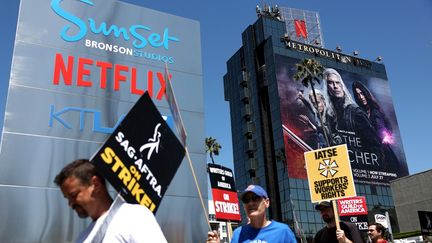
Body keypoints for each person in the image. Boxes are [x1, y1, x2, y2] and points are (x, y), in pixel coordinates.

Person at [54, 159, 167, 243]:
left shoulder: (134, 216)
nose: (70, 204)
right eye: (67, 198)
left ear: (95, 184)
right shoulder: (83, 238)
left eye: (73, 195)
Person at [322, 68, 383, 166]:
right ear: (326, 86)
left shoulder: (356, 112)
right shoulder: (329, 115)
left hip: (362, 170)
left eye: (337, 82)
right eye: (330, 83)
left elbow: (376, 148)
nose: (335, 86)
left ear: (342, 85)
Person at [206, 185, 296, 243]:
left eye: (255, 198)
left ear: (267, 202)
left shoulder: (283, 231)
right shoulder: (238, 234)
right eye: (246, 200)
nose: (250, 203)